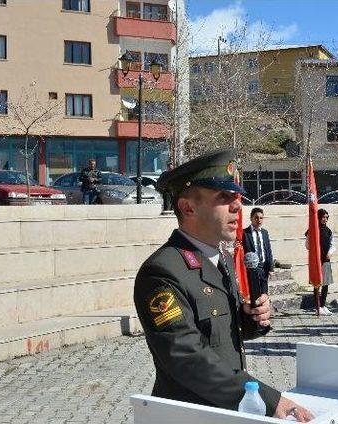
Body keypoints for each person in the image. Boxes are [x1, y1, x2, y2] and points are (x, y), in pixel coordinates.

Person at [133, 149, 312, 422]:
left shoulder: (222, 258)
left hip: (226, 411)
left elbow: (218, 331)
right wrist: (269, 400)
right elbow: (187, 359)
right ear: (188, 207)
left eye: (237, 197)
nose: (237, 206)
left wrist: (250, 319)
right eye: (224, 198)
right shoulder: (162, 272)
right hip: (188, 414)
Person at [305, 209, 336, 315]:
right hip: (316, 261)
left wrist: (330, 253)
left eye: (327, 217)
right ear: (318, 217)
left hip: (326, 260)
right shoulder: (313, 230)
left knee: (326, 284)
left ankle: (323, 305)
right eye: (323, 217)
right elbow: (307, 245)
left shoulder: (328, 230)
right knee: (316, 284)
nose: (325, 219)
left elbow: (333, 244)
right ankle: (317, 307)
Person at [242, 207, 274, 295]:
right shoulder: (244, 233)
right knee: (254, 294)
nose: (259, 220)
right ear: (251, 218)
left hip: (264, 268)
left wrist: (271, 268)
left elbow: (268, 251)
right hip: (252, 269)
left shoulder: (264, 232)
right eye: (256, 217)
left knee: (264, 294)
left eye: (261, 218)